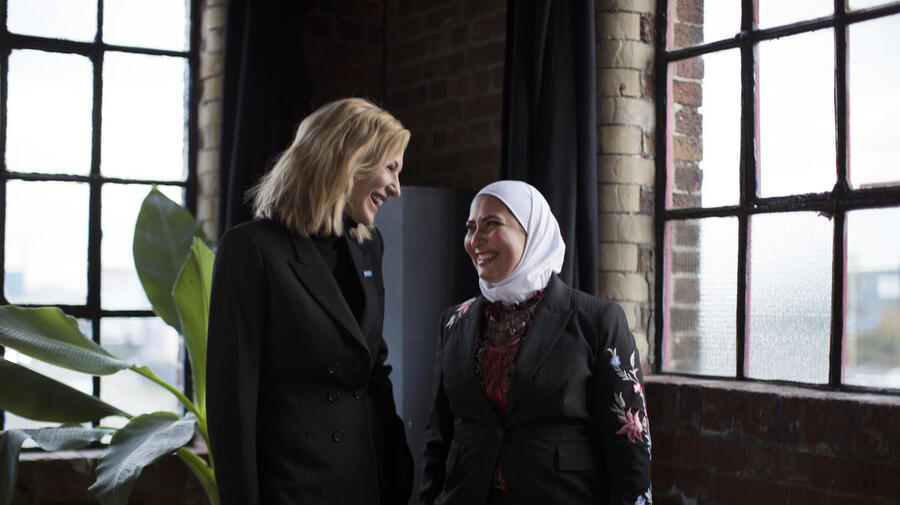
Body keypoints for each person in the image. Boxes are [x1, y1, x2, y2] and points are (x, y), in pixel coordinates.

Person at [207, 98, 413, 505]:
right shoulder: (251, 248)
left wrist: (398, 476)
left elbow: (373, 371)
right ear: (347, 158)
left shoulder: (369, 249)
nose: (396, 188)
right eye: (390, 167)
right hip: (292, 488)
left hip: (366, 483)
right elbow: (233, 407)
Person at [421, 180, 652, 505]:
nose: (475, 240)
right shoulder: (453, 322)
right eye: (471, 227)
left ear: (532, 233)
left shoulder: (596, 320)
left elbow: (630, 447)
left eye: (492, 224)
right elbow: (439, 437)